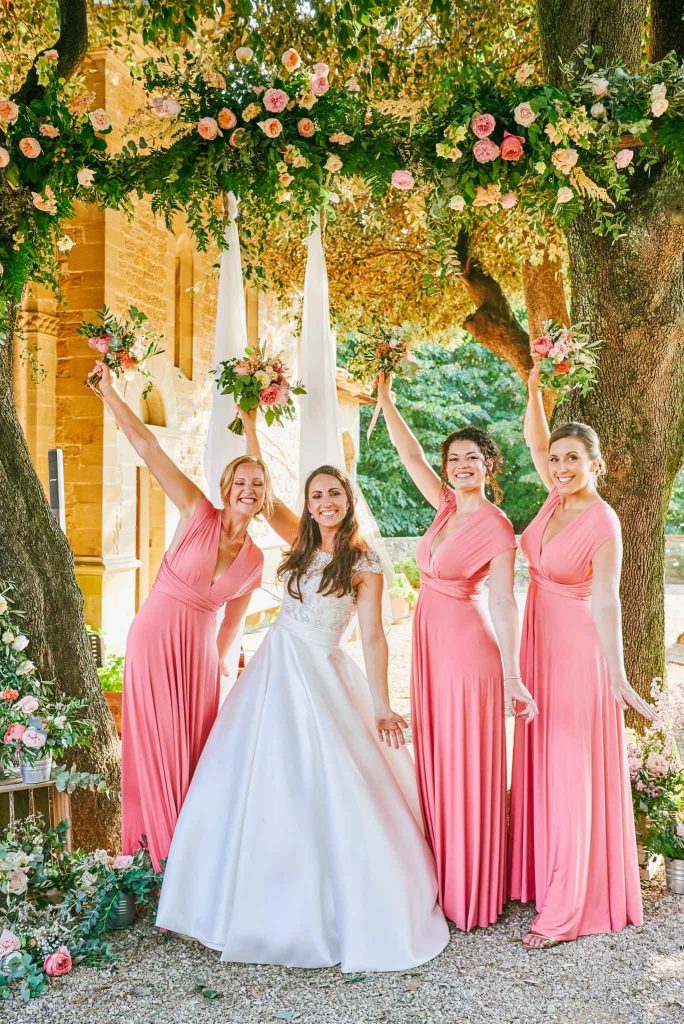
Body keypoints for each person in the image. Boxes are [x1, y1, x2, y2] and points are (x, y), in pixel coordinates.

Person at [156, 410, 449, 972]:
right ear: (309, 503)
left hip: (321, 668)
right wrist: (247, 423)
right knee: (245, 774)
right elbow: (259, 491)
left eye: (334, 494)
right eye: (316, 495)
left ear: (348, 499)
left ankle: (334, 908)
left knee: (330, 779)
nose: (325, 503)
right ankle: (224, 901)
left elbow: (372, 636)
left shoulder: (362, 562)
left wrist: (384, 703)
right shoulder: (299, 538)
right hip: (273, 667)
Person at [375, 373, 536, 931]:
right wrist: (387, 401)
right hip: (430, 648)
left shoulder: (497, 527)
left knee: (466, 766)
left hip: (469, 656)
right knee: (438, 761)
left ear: (489, 465)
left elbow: (503, 601)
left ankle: (473, 889)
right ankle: (443, 876)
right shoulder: (444, 507)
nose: (460, 466)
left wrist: (512, 674)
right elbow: (409, 452)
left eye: (471, 458)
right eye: (454, 460)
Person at [93, 363, 269, 871]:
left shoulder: (255, 562)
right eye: (241, 481)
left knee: (193, 752)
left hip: (199, 659)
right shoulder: (196, 511)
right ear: (227, 484)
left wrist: (218, 674)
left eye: (257, 484)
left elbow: (232, 628)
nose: (248, 490)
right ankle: (152, 858)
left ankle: (189, 862)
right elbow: (149, 447)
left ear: (263, 494)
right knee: (154, 745)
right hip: (154, 638)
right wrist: (109, 391)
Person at [508, 364, 653, 948]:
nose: (562, 466)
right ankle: (545, 876)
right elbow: (534, 438)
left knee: (569, 768)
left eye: (574, 459)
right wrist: (534, 385)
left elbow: (608, 602)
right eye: (558, 459)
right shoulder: (553, 497)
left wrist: (616, 677)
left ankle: (569, 906)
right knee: (542, 758)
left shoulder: (603, 521)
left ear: (597, 463)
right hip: (537, 640)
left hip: (576, 653)